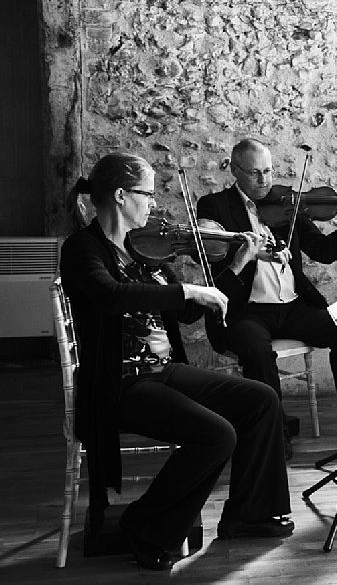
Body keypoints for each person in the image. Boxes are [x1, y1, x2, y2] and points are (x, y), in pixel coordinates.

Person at [60, 153, 293, 571]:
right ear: (120, 196)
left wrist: (233, 269)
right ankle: (146, 526)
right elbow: (113, 296)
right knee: (217, 436)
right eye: (146, 195)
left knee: (261, 399)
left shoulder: (139, 249)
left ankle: (249, 514)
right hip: (118, 383)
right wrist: (187, 291)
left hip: (161, 372)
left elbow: (186, 312)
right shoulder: (83, 250)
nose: (153, 205)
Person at [196, 138, 337, 458]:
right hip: (247, 310)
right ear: (236, 170)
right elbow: (212, 259)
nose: (264, 180)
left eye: (268, 171)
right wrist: (246, 251)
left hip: (294, 305)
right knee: (256, 350)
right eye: (255, 173)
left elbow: (323, 252)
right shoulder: (215, 207)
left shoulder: (287, 203)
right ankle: (274, 433)